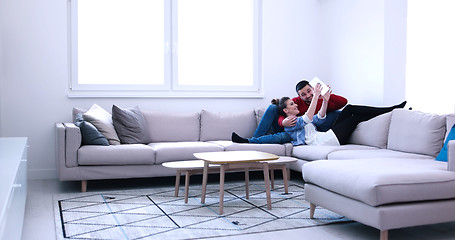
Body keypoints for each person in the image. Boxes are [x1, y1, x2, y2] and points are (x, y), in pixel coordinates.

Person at [277, 84, 406, 146]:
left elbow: (320, 118)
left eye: (309, 91)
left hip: (325, 136)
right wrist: (316, 96)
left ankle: (389, 110)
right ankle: (390, 111)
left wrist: (326, 100)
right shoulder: (291, 122)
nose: (296, 105)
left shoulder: (299, 118)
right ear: (286, 110)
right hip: (323, 141)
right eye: (292, 104)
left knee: (349, 109)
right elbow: (308, 118)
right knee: (354, 119)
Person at [232, 79, 347, 144]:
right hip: (290, 127)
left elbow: (343, 102)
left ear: (313, 88)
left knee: (336, 114)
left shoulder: (321, 99)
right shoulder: (296, 103)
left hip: (301, 131)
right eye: (303, 94)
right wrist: (283, 122)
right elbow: (285, 111)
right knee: (273, 108)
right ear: (299, 96)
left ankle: (252, 142)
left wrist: (325, 94)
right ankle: (253, 141)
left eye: (309, 91)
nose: (308, 95)